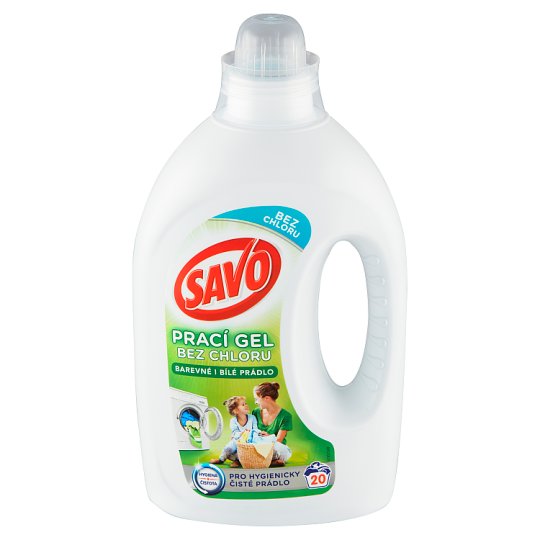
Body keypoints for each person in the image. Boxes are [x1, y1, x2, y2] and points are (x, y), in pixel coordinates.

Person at [210, 396, 257, 468]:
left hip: (250, 441)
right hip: (237, 440)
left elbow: (255, 429)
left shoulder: (252, 418)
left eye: (246, 403)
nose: (246, 405)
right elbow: (235, 432)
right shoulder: (233, 421)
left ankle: (237, 461)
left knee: (244, 451)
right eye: (243, 404)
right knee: (228, 448)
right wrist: (242, 433)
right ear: (236, 411)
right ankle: (221, 459)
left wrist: (255, 433)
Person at [253, 382, 293, 466]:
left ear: (267, 398)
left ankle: (264, 461)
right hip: (257, 446)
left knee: (283, 450)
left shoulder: (286, 416)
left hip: (274, 448)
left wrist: (269, 437)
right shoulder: (256, 412)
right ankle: (269, 461)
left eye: (257, 399)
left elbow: (278, 440)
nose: (256, 402)